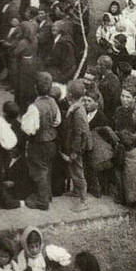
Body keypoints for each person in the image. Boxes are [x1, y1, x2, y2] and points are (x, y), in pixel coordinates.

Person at [21, 72, 61, 210]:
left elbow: (29, 129)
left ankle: (42, 201)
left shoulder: (34, 107)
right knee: (47, 168)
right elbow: (57, 121)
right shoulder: (53, 102)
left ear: (35, 88)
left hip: (39, 143)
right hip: (52, 142)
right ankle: (47, 194)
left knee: (40, 171)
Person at [60, 79, 91, 212]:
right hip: (74, 145)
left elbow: (81, 134)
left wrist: (75, 151)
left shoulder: (78, 111)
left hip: (77, 148)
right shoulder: (77, 107)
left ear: (70, 95)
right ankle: (76, 191)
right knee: (73, 170)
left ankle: (84, 201)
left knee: (78, 172)